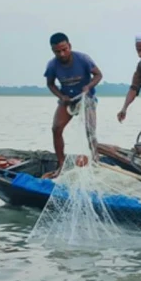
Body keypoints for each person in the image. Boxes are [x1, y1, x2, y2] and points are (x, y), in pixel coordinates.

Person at [42, 32, 103, 178]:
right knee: (56, 128)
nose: (62, 54)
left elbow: (98, 75)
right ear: (53, 51)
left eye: (64, 49)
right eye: (57, 51)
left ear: (69, 46)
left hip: (86, 98)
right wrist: (61, 96)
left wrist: (89, 86)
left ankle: (96, 162)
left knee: (90, 131)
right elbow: (50, 84)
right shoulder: (52, 65)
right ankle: (61, 164)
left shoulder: (83, 59)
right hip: (68, 100)